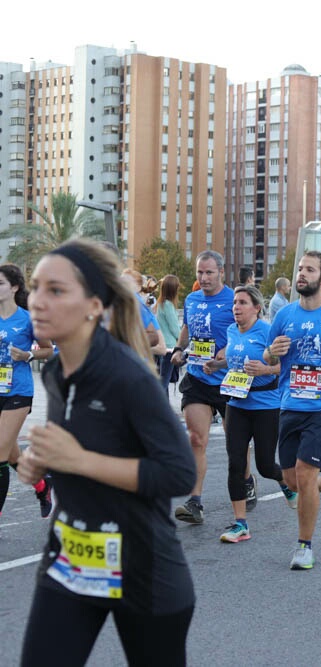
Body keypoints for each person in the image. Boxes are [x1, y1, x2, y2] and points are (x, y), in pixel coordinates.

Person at [18, 239, 195, 665]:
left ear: (94, 305)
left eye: (56, 291)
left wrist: (77, 460)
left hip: (143, 570)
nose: (38, 302)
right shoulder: (60, 371)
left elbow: (178, 474)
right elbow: (84, 446)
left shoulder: (128, 376)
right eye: (36, 287)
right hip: (72, 559)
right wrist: (42, 460)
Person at [264, 251, 321, 570]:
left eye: (309, 270)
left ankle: (304, 546)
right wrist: (270, 353)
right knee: (292, 480)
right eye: (300, 269)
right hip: (290, 403)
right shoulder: (285, 315)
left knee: (304, 473)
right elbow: (270, 358)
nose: (302, 274)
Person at [215, 286, 297, 543]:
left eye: (242, 303)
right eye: (234, 303)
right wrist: (216, 363)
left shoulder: (268, 331)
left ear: (256, 307)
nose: (236, 307)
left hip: (266, 406)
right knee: (235, 463)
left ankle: (284, 481)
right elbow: (234, 360)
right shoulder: (231, 330)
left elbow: (286, 366)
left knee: (264, 464)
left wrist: (264, 370)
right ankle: (241, 524)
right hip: (237, 405)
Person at [170, 250, 236, 525]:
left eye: (209, 272)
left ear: (221, 272)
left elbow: (247, 331)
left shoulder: (233, 299)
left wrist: (226, 351)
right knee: (196, 439)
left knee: (237, 445)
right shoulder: (192, 299)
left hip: (229, 380)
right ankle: (195, 501)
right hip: (197, 377)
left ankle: (246, 478)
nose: (204, 278)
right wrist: (178, 348)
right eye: (200, 272)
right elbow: (187, 328)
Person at [0, 265, 55, 520]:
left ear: (14, 287)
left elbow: (49, 349)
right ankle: (42, 485)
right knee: (11, 454)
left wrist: (28, 354)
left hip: (18, 391)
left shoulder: (27, 318)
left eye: (0, 283)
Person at [155, 275, 182, 394]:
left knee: (162, 380)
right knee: (163, 381)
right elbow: (175, 328)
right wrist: (182, 340)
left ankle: (164, 409)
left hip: (161, 345)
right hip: (170, 347)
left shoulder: (160, 304)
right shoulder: (168, 306)